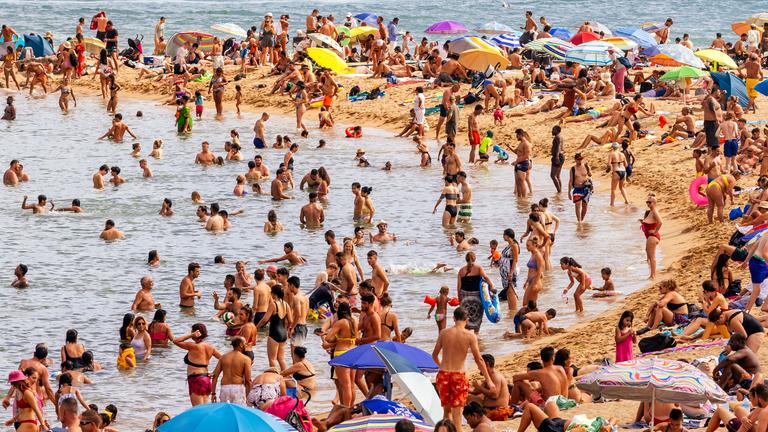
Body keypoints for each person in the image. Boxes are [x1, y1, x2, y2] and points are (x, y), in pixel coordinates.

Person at [432, 307, 495, 427]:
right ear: (467, 319)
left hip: (443, 375)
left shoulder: (444, 333)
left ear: (454, 318)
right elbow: (479, 360)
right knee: (457, 416)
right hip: (458, 376)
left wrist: (442, 366)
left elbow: (434, 355)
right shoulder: (470, 336)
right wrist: (489, 380)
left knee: (446, 412)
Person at [172, 323, 222, 406]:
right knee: (204, 409)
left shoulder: (193, 346)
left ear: (195, 332)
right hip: (206, 379)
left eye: (192, 331)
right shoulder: (210, 347)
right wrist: (215, 372)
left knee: (197, 410)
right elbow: (223, 359)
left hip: (196, 379)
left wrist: (190, 335)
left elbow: (175, 341)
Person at [256, 284, 293, 371]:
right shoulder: (286, 304)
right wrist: (288, 329)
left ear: (274, 294)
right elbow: (291, 320)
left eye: (271, 292)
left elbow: (265, 319)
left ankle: (275, 378)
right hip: (283, 334)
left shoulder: (273, 304)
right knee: (281, 359)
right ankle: (286, 377)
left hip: (274, 334)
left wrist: (255, 327)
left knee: (272, 360)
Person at [211, 336, 252, 405]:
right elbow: (248, 381)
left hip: (225, 388)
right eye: (245, 343)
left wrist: (213, 393)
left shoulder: (223, 357)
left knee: (225, 412)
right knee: (238, 412)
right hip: (238, 388)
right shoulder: (246, 359)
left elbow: (215, 376)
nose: (246, 345)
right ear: (241, 345)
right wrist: (249, 398)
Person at [641, 194, 663, 279]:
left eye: (649, 202)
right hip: (651, 237)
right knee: (650, 256)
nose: (648, 204)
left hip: (652, 237)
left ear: (654, 203)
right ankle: (651, 274)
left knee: (652, 257)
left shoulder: (654, 211)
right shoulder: (651, 212)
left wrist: (655, 231)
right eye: (647, 202)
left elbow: (660, 222)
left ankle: (653, 275)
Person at [568, 153, 592, 223]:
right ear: (575, 160)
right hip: (577, 189)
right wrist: (569, 193)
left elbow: (590, 174)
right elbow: (570, 181)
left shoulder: (585, 166)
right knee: (577, 205)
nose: (580, 161)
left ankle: (582, 219)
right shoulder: (573, 169)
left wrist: (588, 167)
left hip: (586, 189)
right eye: (578, 159)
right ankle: (579, 221)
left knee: (585, 206)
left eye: (581, 159)